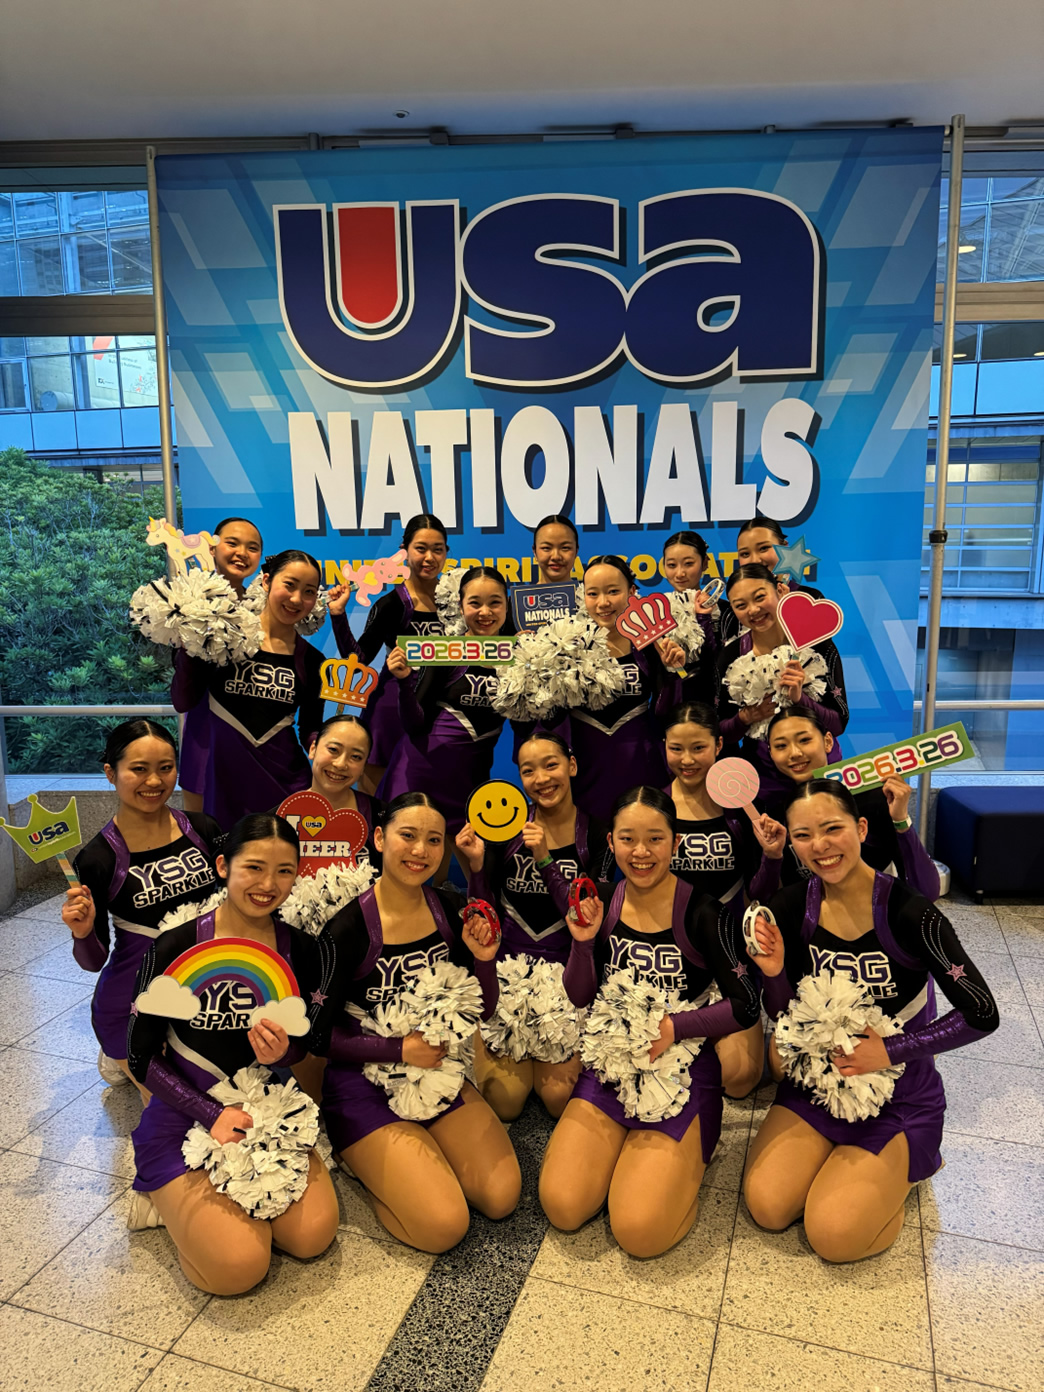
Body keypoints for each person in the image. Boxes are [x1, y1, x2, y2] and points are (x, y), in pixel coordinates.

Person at [743, 780, 999, 1263]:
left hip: (899, 1096)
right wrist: (774, 975)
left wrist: (888, 1050)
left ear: (861, 828)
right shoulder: (790, 906)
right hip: (817, 1087)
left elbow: (981, 1013)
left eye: (832, 829)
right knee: (768, 1208)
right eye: (803, 835)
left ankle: (904, 1168)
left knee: (834, 1237)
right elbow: (786, 1017)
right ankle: (842, 1167)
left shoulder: (912, 912)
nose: (820, 846)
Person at [539, 787, 760, 1258]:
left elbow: (746, 1005)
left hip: (680, 1072)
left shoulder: (706, 913)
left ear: (675, 843)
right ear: (611, 842)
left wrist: (675, 1028)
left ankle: (689, 1154)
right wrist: (582, 942)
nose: (641, 852)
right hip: (612, 1066)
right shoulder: (599, 899)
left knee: (640, 1233)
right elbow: (579, 995)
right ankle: (628, 1156)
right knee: (563, 1206)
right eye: (628, 839)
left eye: (655, 839)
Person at [127, 814, 339, 1291]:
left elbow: (308, 1042)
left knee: (312, 1237)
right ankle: (160, 1199)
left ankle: (229, 1211)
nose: (268, 885)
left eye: (284, 871)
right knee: (238, 1269)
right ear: (223, 866)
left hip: (267, 1109)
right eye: (254, 868)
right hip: (184, 1112)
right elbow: (140, 1056)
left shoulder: (303, 950)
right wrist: (210, 1113)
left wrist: (283, 1054)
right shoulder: (174, 946)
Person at [315, 793, 521, 1253]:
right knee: (444, 1227)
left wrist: (484, 961)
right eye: (407, 836)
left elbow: (482, 1009)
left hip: (436, 1073)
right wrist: (398, 1050)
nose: (419, 851)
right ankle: (359, 1159)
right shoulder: (345, 930)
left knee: (502, 1196)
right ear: (379, 838)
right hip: (362, 1086)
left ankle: (420, 1156)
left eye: (433, 840)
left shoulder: (450, 908)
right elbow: (318, 1035)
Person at [454, 732, 614, 1120]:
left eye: (551, 765)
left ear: (571, 766)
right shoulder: (506, 824)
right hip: (509, 970)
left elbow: (584, 919)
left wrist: (544, 859)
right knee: (505, 1102)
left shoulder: (596, 834)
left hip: (568, 974)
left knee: (560, 1099)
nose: (541, 778)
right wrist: (476, 866)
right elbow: (484, 911)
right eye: (528, 771)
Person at [61, 720, 221, 1093]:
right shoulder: (98, 858)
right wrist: (82, 932)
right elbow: (93, 960)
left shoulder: (204, 829)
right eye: (139, 769)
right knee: (175, 1111)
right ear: (110, 773)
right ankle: (117, 1059)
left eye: (165, 768)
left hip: (207, 990)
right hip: (134, 1001)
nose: (154, 781)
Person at [663, 702, 783, 1097]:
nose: (687, 760)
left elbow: (760, 893)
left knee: (739, 1079)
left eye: (698, 748)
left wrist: (771, 856)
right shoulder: (653, 807)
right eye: (676, 748)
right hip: (671, 955)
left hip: (731, 954)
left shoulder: (741, 810)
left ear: (718, 746)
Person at [171, 549, 325, 827]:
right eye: (289, 585)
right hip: (221, 780)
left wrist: (326, 746)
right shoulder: (221, 636)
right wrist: (188, 650)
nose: (296, 599)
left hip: (284, 783)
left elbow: (310, 728)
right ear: (266, 581)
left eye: (309, 592)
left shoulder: (313, 661)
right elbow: (183, 701)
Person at [382, 566, 517, 847]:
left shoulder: (522, 655)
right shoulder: (445, 650)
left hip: (472, 779)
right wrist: (405, 682)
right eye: (475, 603)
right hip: (420, 774)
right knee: (419, 860)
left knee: (476, 864)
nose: (485, 612)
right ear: (461, 605)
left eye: (495, 602)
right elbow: (414, 725)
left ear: (507, 604)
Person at [758, 709, 940, 899]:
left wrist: (901, 821)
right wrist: (772, 857)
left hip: (870, 912)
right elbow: (763, 897)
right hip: (806, 916)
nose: (794, 753)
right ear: (771, 753)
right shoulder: (774, 811)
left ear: (828, 741)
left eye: (804, 740)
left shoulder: (875, 800)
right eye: (781, 746)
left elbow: (926, 893)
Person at [329, 514, 447, 796]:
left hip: (441, 708)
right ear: (404, 551)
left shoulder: (457, 602)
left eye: (438, 549)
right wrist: (338, 615)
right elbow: (357, 658)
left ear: (446, 552)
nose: (429, 557)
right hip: (391, 709)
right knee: (378, 801)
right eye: (421, 548)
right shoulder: (391, 605)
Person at [565, 556, 686, 814]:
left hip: (643, 766)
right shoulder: (566, 647)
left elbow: (668, 713)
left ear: (631, 592)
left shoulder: (652, 645)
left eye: (613, 591)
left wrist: (672, 671)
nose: (603, 603)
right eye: (593, 594)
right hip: (584, 772)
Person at [716, 563, 847, 798]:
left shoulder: (818, 644)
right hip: (763, 781)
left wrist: (800, 699)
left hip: (822, 774)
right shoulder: (730, 657)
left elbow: (838, 724)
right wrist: (746, 718)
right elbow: (721, 735)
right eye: (740, 605)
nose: (753, 610)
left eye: (760, 597)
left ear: (779, 591)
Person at [178, 517, 264, 814]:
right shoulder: (187, 601)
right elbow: (182, 694)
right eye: (232, 543)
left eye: (252, 547)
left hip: (255, 737)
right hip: (206, 734)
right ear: (212, 549)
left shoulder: (264, 608)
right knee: (203, 830)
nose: (242, 553)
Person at [719, 516, 824, 646]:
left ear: (784, 547)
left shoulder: (809, 599)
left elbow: (823, 654)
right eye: (745, 554)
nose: (755, 560)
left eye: (763, 548)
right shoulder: (732, 613)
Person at [298, 714, 382, 870]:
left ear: (364, 765)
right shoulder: (280, 817)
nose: (341, 764)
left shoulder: (382, 817)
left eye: (356, 757)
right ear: (313, 749)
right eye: (333, 750)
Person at [660, 531, 718, 706]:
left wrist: (703, 618)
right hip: (668, 706)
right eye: (672, 565)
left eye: (688, 564)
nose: (680, 573)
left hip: (711, 707)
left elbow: (719, 662)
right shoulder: (656, 611)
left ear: (705, 563)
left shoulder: (725, 611)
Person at [532, 514, 580, 587]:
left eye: (565, 548)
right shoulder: (520, 594)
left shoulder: (587, 594)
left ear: (576, 551)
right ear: (535, 552)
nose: (556, 557)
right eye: (546, 548)